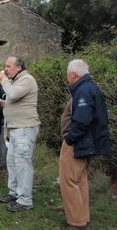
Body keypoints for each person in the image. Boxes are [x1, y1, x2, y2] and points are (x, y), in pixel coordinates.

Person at [59, 59, 111, 230]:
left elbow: (82, 121)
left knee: (69, 182)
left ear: (73, 74)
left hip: (78, 143)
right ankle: (82, 218)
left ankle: (76, 223)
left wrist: (69, 139)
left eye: (68, 74)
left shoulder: (84, 90)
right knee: (80, 181)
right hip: (85, 143)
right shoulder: (89, 87)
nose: (67, 77)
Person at [0, 55, 41, 212]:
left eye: (8, 66)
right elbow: (14, 99)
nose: (5, 69)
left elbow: (13, 94)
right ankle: (14, 193)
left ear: (19, 67)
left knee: (22, 164)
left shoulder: (27, 79)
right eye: (5, 66)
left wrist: (4, 80)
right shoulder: (16, 81)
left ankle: (25, 200)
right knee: (12, 162)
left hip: (24, 128)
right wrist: (3, 103)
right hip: (14, 128)